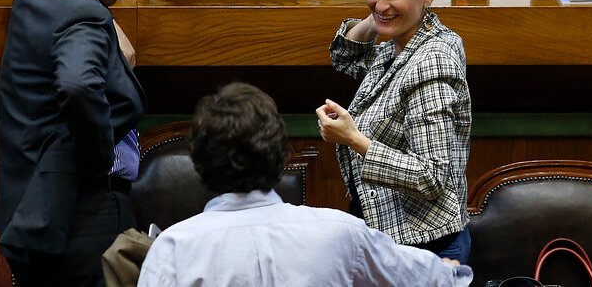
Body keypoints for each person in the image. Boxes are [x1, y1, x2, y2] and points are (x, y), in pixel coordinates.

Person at [138, 82, 473, 287]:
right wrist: (448, 272)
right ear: (282, 156)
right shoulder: (339, 232)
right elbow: (434, 278)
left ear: (200, 163)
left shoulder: (173, 248)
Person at [0, 0, 147, 286]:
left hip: (31, 211)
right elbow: (77, 85)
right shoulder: (83, 18)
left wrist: (106, 20)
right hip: (81, 218)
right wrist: (98, 159)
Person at [316, 0, 473, 263]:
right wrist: (381, 14)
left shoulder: (431, 61)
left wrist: (353, 139)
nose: (381, 1)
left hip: (424, 247)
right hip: (391, 237)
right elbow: (345, 57)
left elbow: (431, 177)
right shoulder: (411, 37)